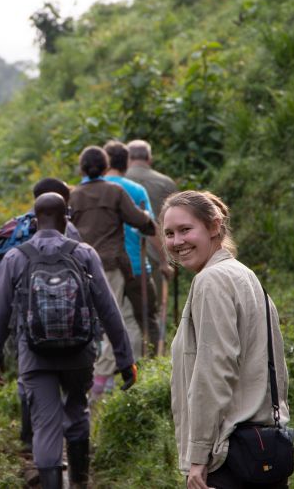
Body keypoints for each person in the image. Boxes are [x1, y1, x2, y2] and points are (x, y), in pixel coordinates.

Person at [0, 192, 138, 489]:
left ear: (34, 219)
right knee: (77, 408)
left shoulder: (16, 258)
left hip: (34, 355)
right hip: (79, 353)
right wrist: (125, 359)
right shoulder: (84, 253)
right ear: (66, 217)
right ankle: (81, 481)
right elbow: (109, 309)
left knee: (45, 425)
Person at [163, 190, 290, 488]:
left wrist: (197, 457)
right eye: (169, 233)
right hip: (264, 448)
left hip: (228, 456)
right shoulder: (244, 275)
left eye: (185, 230)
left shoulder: (211, 280)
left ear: (214, 226)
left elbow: (214, 370)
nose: (176, 242)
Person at [0, 177, 82, 451]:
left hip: (22, 323)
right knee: (73, 393)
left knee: (29, 381)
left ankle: (32, 445)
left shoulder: (9, 232)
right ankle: (73, 459)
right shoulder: (73, 233)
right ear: (65, 204)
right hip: (71, 325)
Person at [68, 146, 156, 399]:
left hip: (79, 267)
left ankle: (96, 381)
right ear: (106, 167)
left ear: (82, 168)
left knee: (91, 324)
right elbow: (139, 221)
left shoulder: (73, 196)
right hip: (110, 266)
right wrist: (149, 220)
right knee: (115, 320)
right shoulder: (114, 191)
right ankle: (99, 383)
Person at [102, 140, 172, 359]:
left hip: (102, 266)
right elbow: (150, 229)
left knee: (111, 320)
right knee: (146, 317)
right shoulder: (138, 189)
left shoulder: (90, 189)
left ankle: (112, 373)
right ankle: (148, 363)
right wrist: (165, 261)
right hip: (137, 264)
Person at [125, 139, 179, 346]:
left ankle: (134, 355)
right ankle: (155, 352)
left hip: (128, 252)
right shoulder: (165, 182)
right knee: (152, 309)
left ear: (129, 159)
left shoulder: (117, 182)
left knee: (129, 311)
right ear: (149, 158)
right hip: (158, 253)